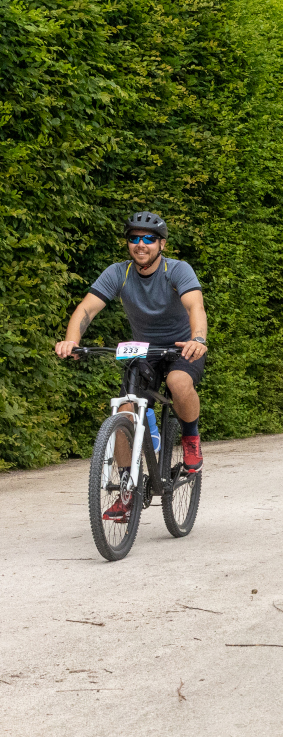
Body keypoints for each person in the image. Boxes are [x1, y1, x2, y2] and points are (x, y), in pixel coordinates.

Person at [56, 212, 210, 516]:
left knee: (178, 383)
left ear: (161, 244)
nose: (141, 244)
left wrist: (199, 339)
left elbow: (196, 305)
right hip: (144, 351)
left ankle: (191, 437)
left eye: (149, 238)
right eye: (134, 238)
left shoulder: (176, 270)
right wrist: (71, 340)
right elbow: (86, 308)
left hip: (182, 347)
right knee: (125, 411)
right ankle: (128, 493)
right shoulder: (119, 273)